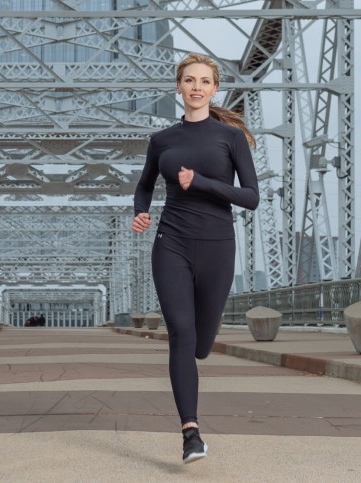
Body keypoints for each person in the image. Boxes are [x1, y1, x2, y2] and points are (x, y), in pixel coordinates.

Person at [132, 53, 259, 464]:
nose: (197, 87)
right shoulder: (162, 140)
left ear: (214, 88)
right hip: (172, 242)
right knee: (181, 336)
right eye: (189, 80)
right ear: (179, 87)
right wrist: (141, 211)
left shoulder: (231, 138)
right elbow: (144, 185)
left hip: (218, 246)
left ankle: (199, 352)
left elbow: (251, 198)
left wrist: (200, 182)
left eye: (205, 81)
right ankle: (191, 432)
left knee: (202, 344)